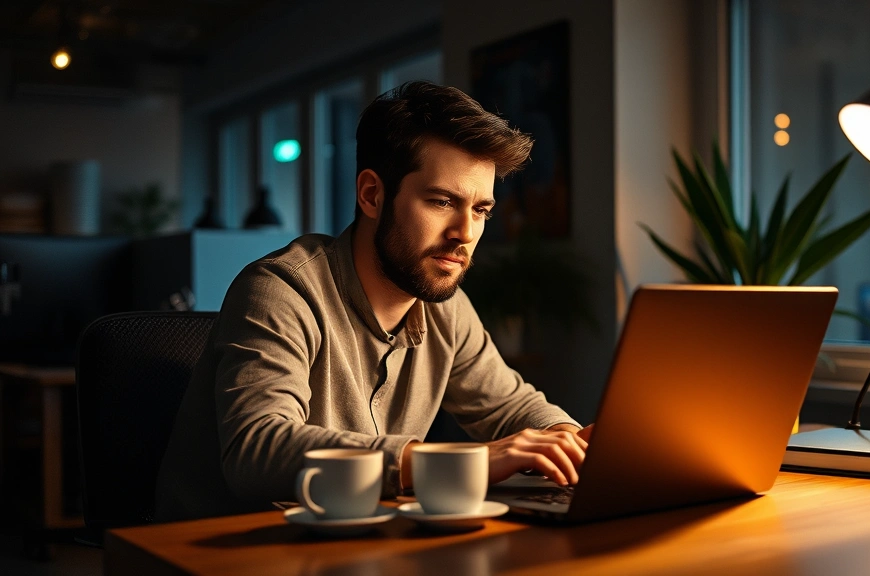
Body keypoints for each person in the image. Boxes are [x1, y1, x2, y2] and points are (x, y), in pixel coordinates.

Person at [155, 81, 591, 522]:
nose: (465, 233)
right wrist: (460, 462)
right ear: (372, 195)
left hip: (356, 547)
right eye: (442, 201)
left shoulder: (444, 303)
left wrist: (569, 442)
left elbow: (510, 407)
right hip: (227, 552)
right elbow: (258, 451)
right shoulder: (279, 290)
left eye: (480, 210)